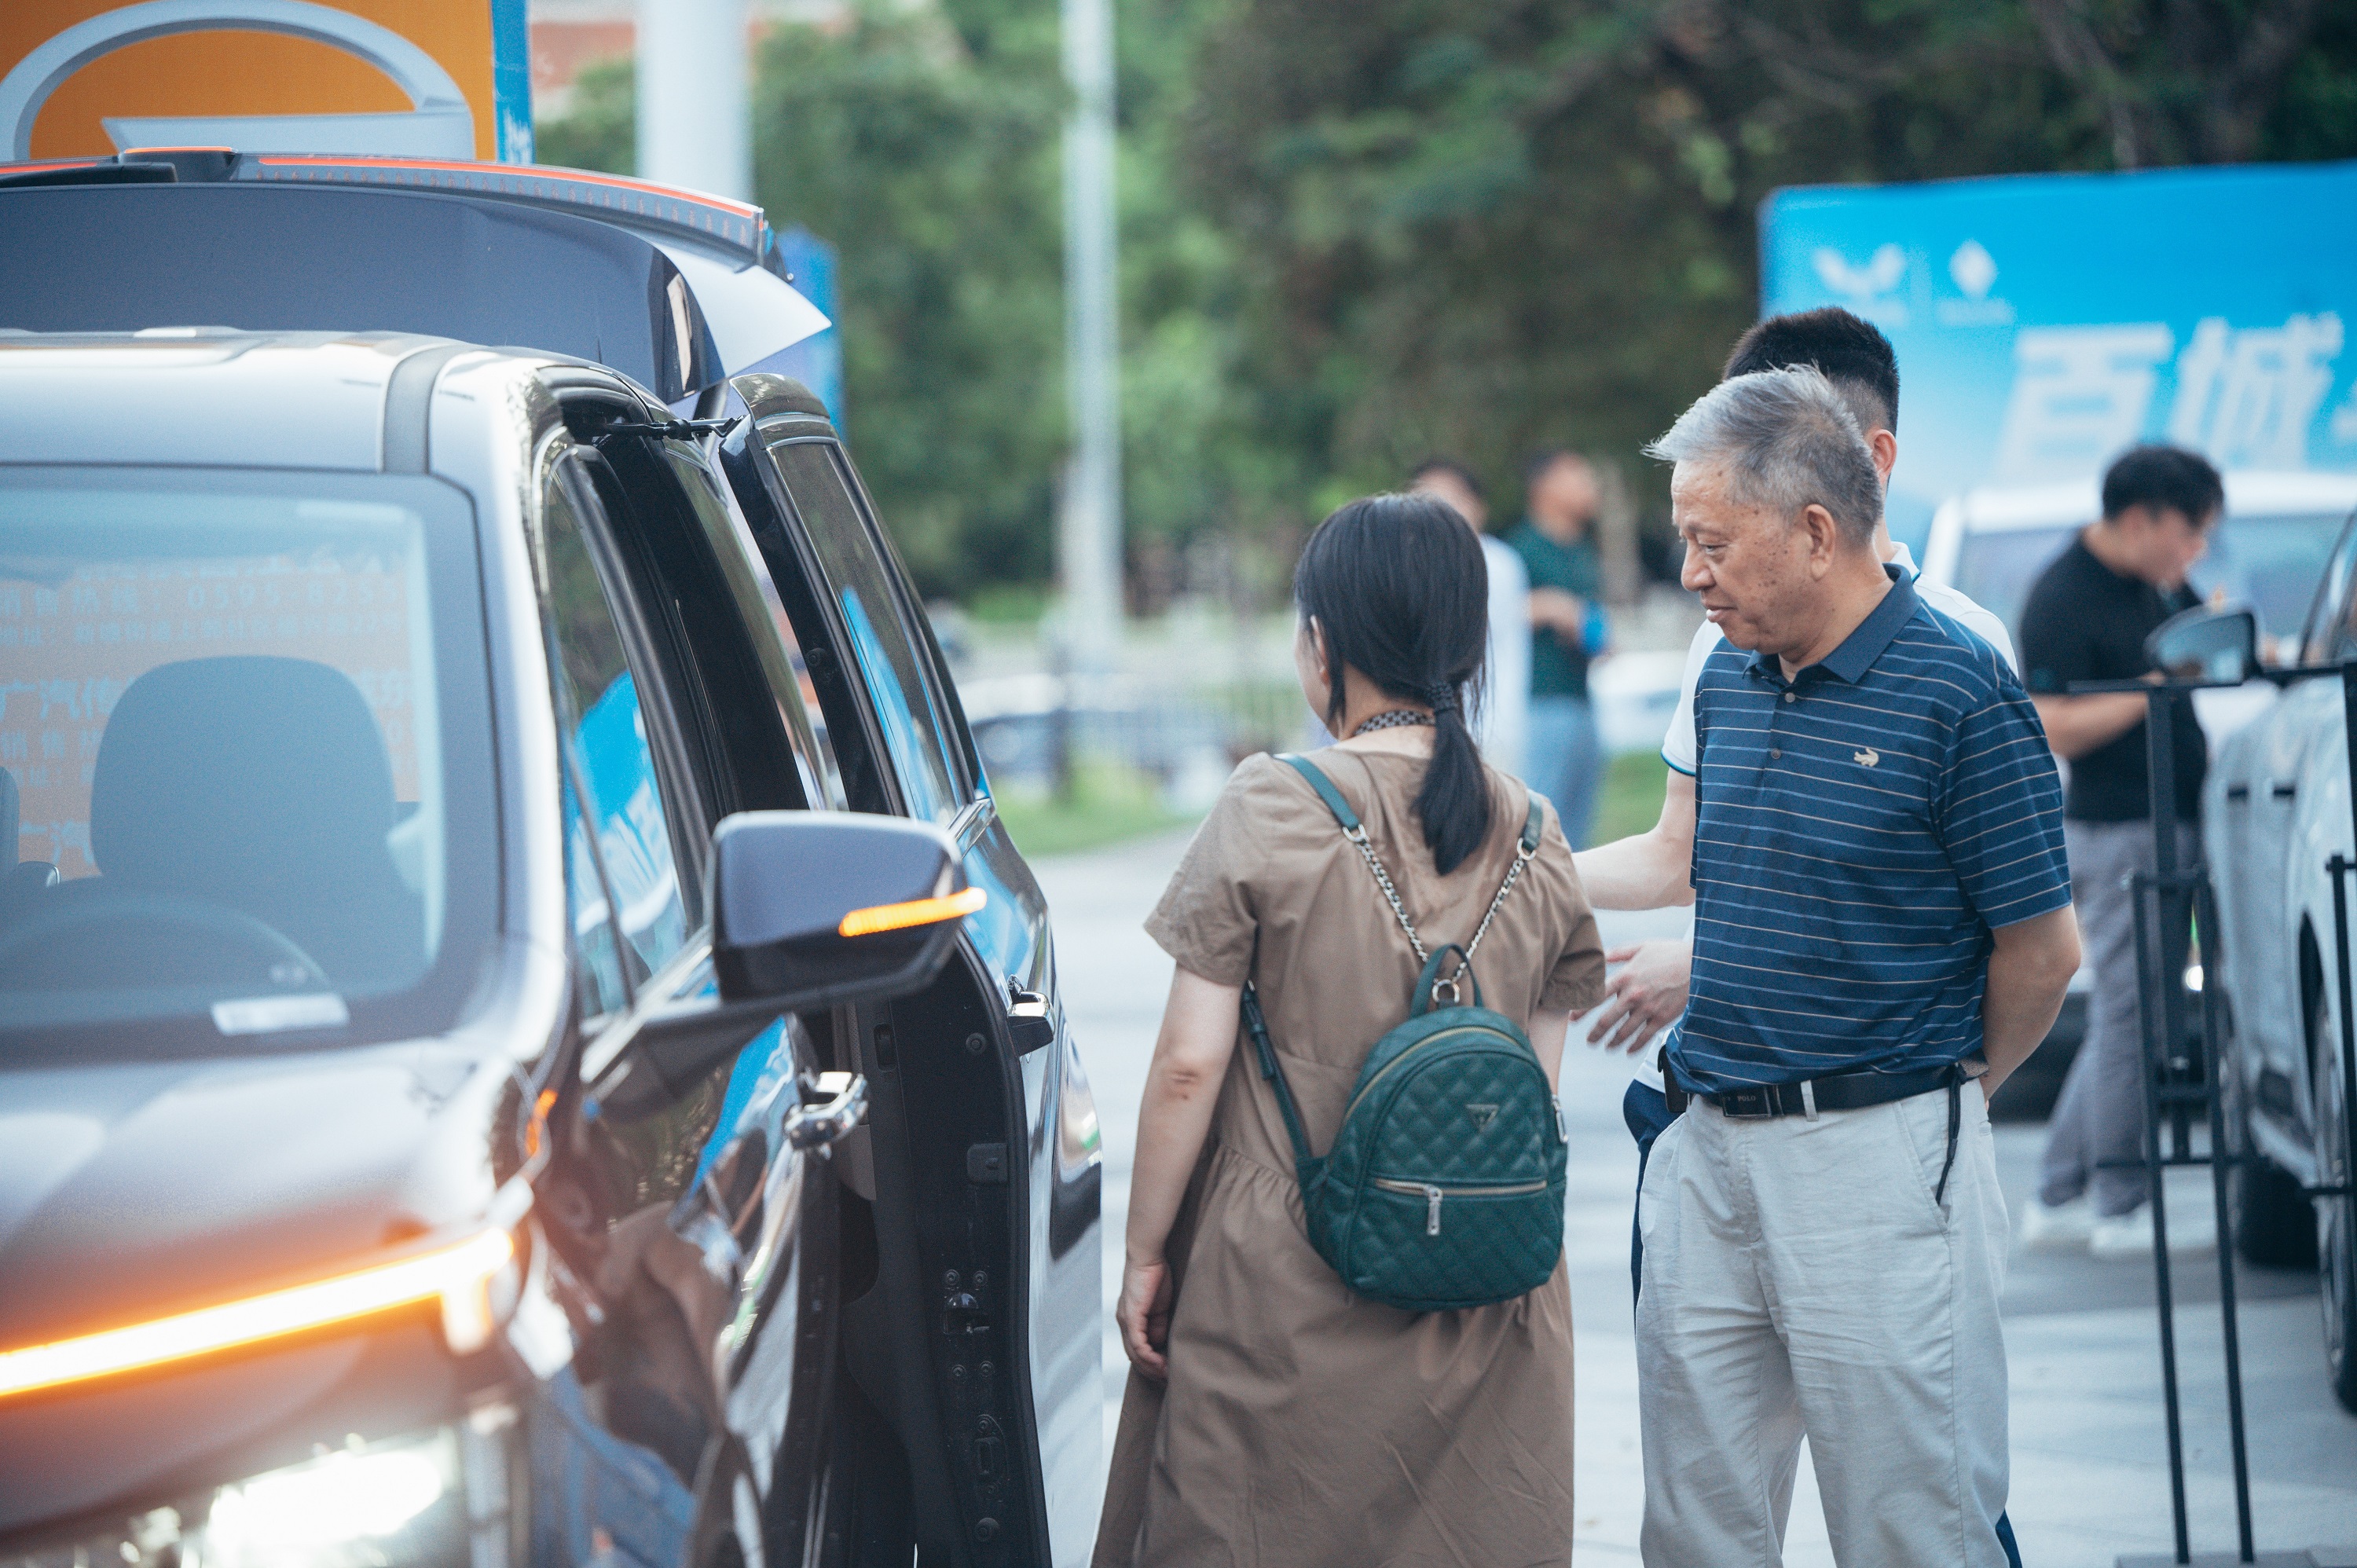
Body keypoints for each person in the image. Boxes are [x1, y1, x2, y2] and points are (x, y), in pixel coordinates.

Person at [1093, 493, 1604, 1567]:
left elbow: (1191, 1066)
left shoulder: (1271, 803)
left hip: (1281, 1274)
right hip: (1480, 1281)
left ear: (1323, 645)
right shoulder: (1540, 830)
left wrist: (1145, 1252)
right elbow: (1531, 1091)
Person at [1634, 365, 2079, 1565]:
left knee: (1910, 1521)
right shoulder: (1726, 678)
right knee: (1694, 1521)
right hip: (1707, 1153)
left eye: (1711, 542)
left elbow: (2042, 953)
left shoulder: (1961, 691)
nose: (1693, 575)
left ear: (1816, 532)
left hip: (1879, 1166)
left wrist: (1949, 1092)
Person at [2017, 444, 2222, 1258]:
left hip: (2172, 815)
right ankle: (2119, 1203)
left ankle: (2059, 1190)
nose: (2194, 550)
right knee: (2131, 1017)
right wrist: (2156, 690)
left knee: (2131, 1017)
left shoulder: (2157, 583)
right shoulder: (2062, 594)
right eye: (2188, 530)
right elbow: (2053, 721)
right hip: (2115, 828)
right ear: (2139, 519)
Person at [1508, 449, 1610, 847]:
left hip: (1583, 700)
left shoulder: (1583, 550)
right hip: (1539, 704)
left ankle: (1568, 907)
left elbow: (1592, 619)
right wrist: (1549, 606)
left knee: (1576, 835)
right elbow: (1492, 611)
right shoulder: (1521, 548)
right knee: (1537, 828)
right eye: (1578, 476)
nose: (1590, 486)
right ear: (1545, 486)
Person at [1409, 457, 1530, 776]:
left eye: (1450, 499)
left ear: (1477, 507)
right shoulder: (1415, 566)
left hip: (1490, 726)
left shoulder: (1497, 563)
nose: (1438, 510)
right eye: (1424, 500)